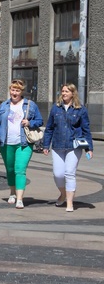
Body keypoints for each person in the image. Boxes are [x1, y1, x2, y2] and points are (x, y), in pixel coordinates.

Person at [42, 83, 94, 212]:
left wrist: (89, 148)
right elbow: (49, 128)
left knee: (69, 173)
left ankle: (70, 203)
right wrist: (45, 145)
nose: (64, 93)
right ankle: (63, 193)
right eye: (63, 91)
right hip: (58, 145)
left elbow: (86, 129)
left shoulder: (80, 109)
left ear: (73, 93)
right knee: (58, 174)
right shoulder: (56, 108)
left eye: (67, 91)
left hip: (74, 146)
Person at [0, 79, 44, 209]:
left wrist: (30, 123)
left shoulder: (30, 105)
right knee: (10, 170)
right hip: (7, 143)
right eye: (13, 90)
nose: (14, 93)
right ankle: (12, 192)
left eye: (17, 90)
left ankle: (19, 198)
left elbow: (39, 120)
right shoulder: (4, 105)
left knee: (19, 169)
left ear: (21, 92)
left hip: (24, 143)